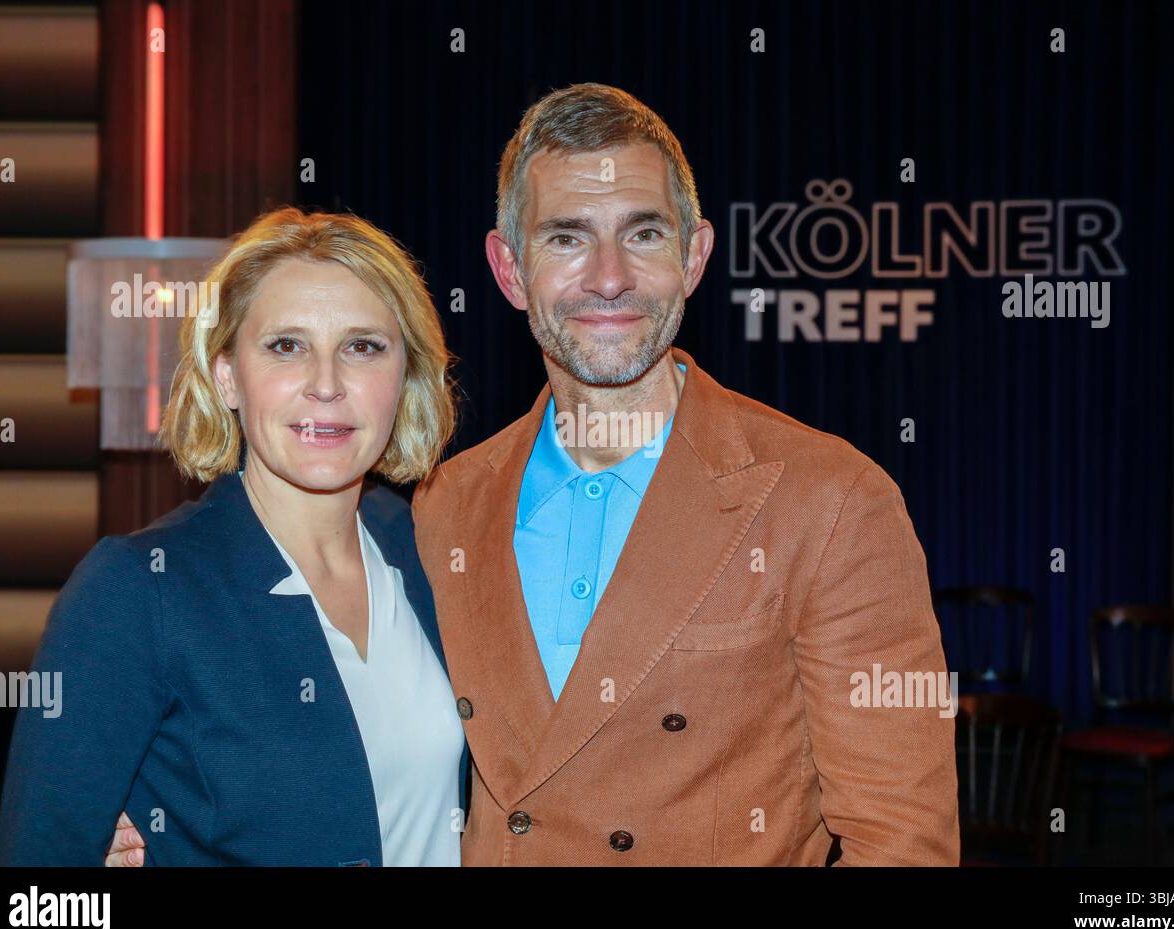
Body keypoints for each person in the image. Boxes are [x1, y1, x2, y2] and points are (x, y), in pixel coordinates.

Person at [410, 83, 960, 865]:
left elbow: (901, 842)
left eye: (642, 234)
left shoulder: (832, 499)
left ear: (694, 255)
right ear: (508, 269)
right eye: (566, 238)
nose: (608, 277)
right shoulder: (444, 506)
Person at [0, 207, 468, 866]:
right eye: (286, 345)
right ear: (227, 376)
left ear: (405, 374)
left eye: (363, 346)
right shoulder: (138, 590)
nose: (327, 384)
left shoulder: (434, 546)